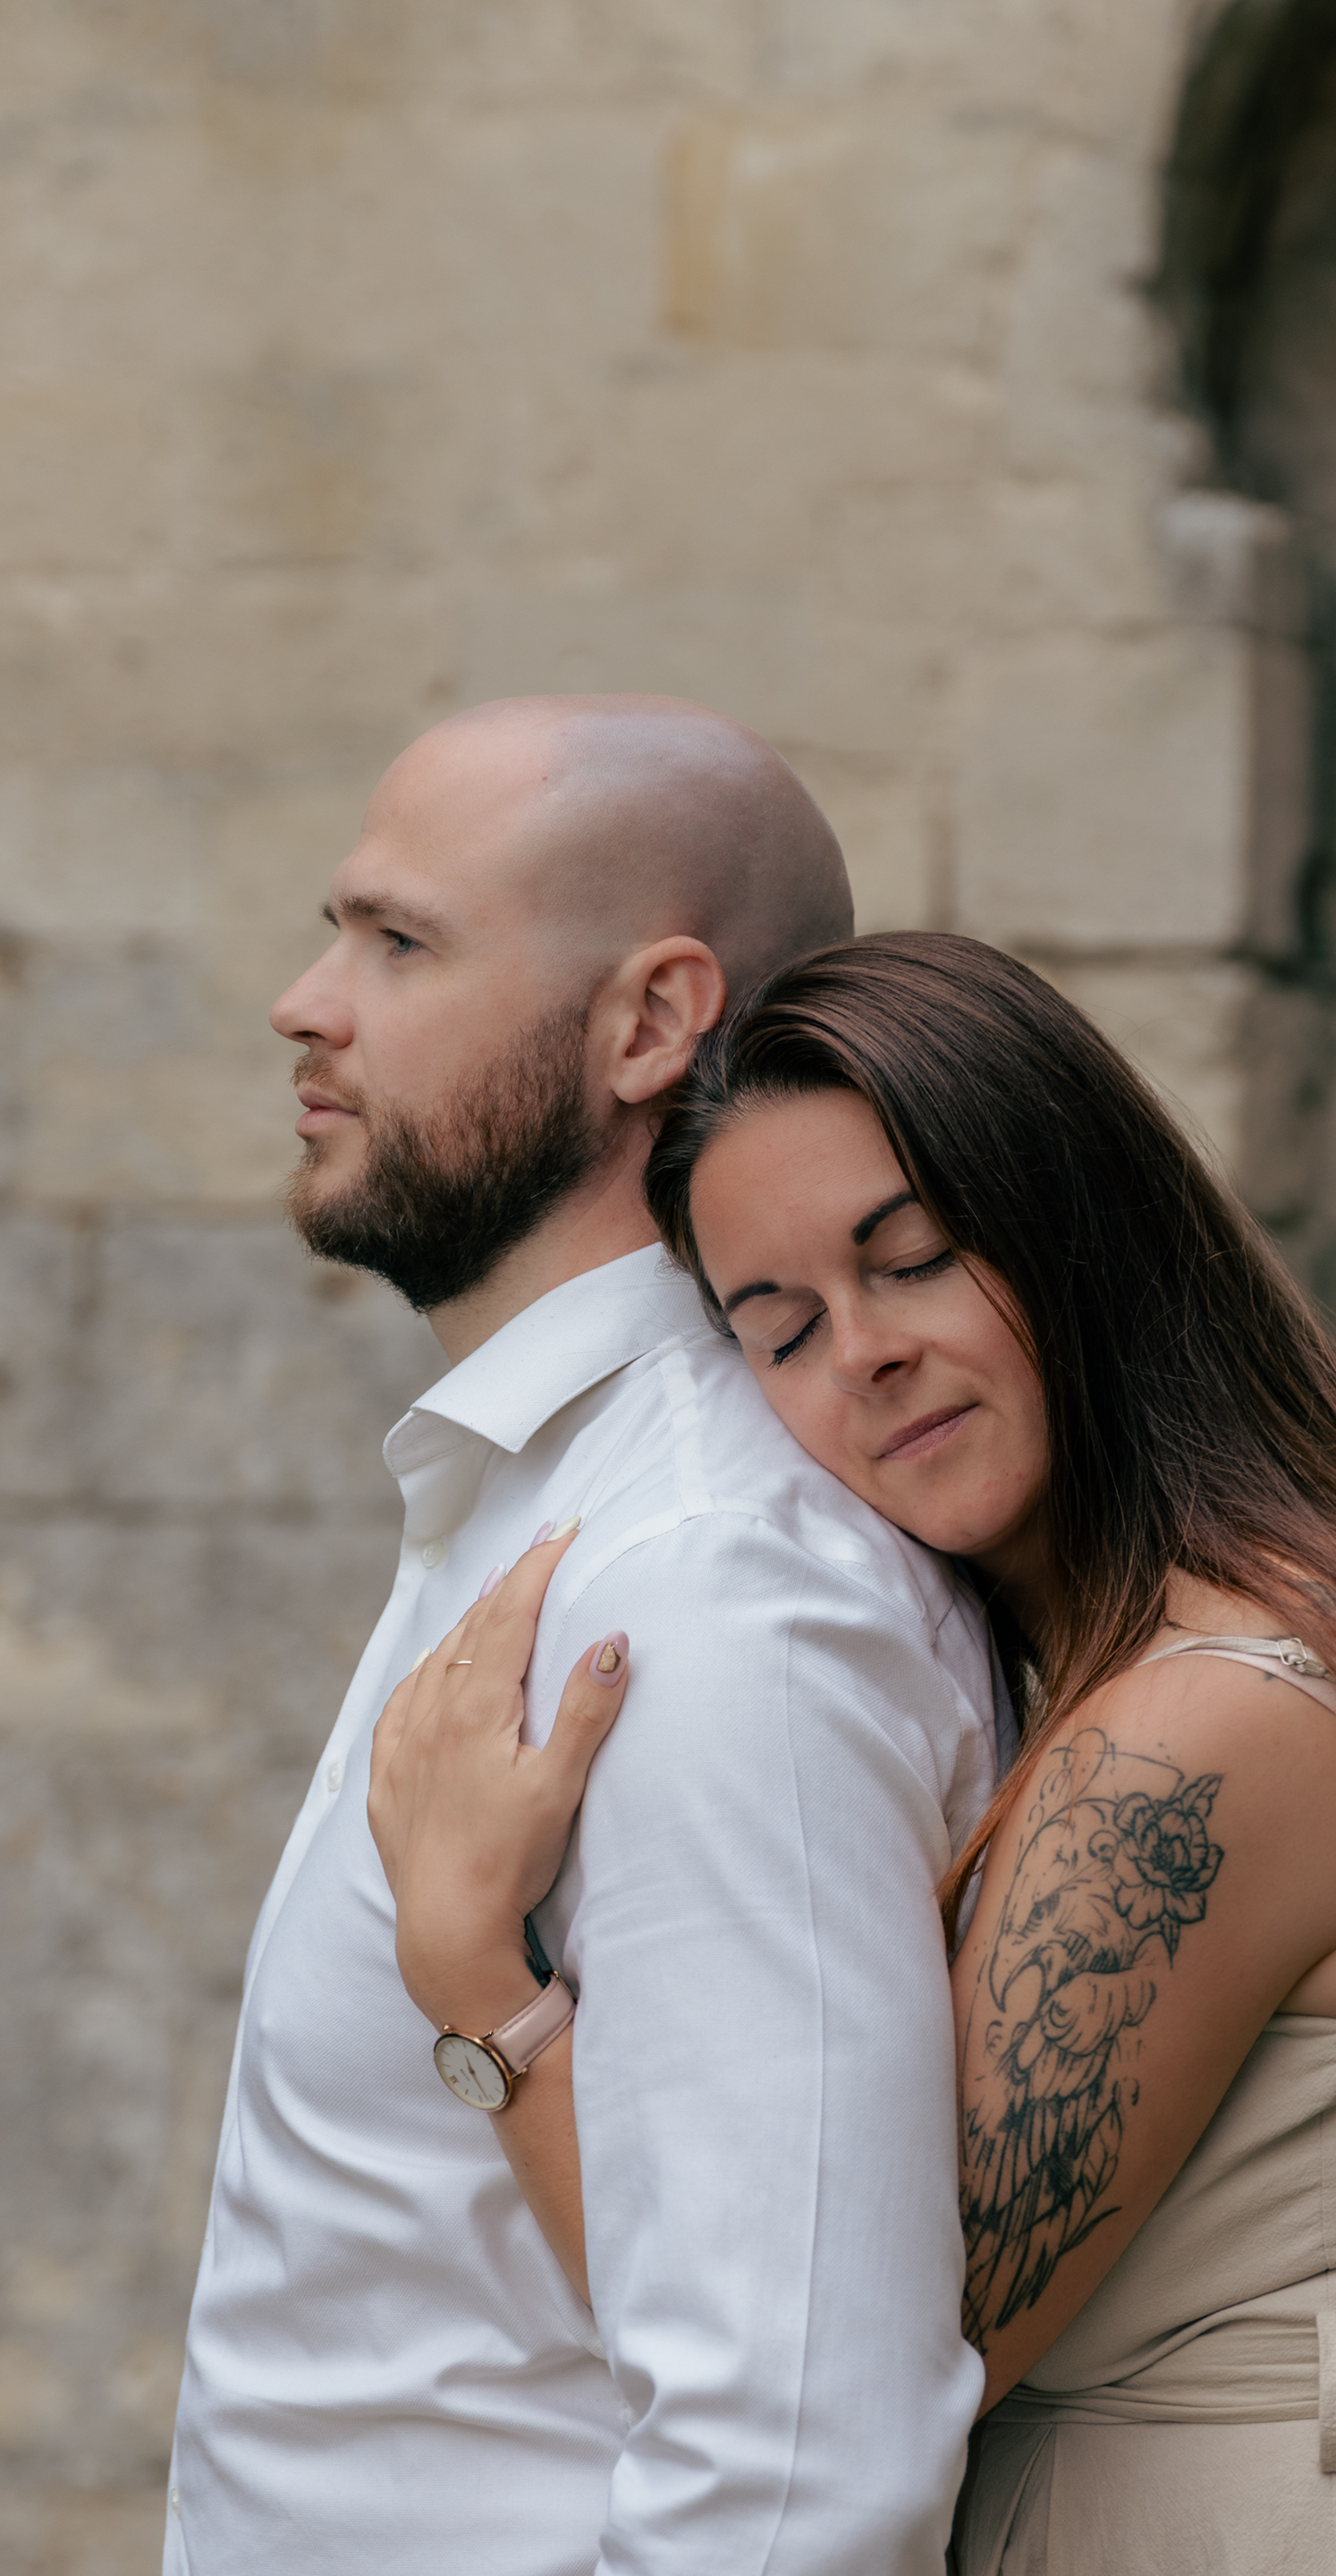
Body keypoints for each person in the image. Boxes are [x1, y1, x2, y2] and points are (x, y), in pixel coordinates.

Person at [378, 930, 1336, 2573]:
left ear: (1080, 1219)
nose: (863, 1352)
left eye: (915, 1257)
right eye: (780, 1332)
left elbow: (833, 2364)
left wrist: (477, 1983)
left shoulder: (1199, 1735)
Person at [163, 704, 1008, 2576]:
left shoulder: (713, 1589)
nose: (306, 1005)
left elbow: (791, 2483)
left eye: (399, 942)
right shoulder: (557, 1502)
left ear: (650, 1023)